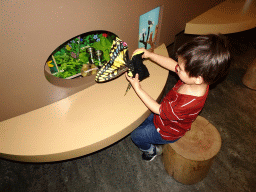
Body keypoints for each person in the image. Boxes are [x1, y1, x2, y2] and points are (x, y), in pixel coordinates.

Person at [125, 34, 230, 161]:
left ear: (198, 78)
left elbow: (158, 110)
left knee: (136, 135)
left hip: (167, 130)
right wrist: (150, 55)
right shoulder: (197, 80)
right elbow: (172, 65)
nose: (177, 68)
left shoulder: (186, 104)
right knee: (139, 117)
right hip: (165, 113)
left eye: (180, 68)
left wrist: (137, 88)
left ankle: (152, 151)